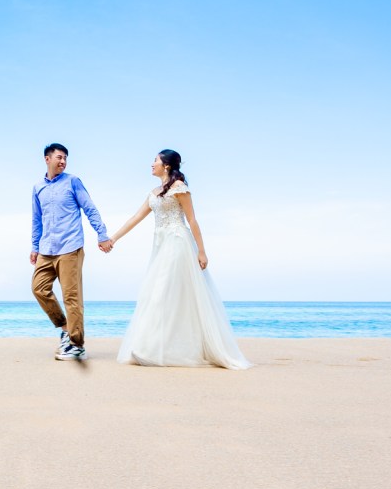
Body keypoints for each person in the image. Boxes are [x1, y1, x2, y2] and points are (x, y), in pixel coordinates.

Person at [106, 149, 250, 369]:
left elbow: (192, 221)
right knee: (156, 294)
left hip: (177, 242)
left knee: (162, 293)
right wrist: (113, 238)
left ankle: (155, 349)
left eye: (155, 160)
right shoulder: (154, 192)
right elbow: (136, 217)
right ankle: (153, 347)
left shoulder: (179, 188)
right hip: (161, 245)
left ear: (166, 166)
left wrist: (202, 251)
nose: (151, 164)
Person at [31, 143, 112, 361]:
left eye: (65, 157)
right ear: (47, 159)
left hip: (70, 247)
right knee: (38, 288)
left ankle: (77, 345)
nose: (63, 161)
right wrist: (35, 246)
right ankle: (65, 328)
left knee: (71, 297)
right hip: (47, 249)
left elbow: (89, 208)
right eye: (59, 157)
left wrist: (102, 234)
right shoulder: (38, 187)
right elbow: (37, 219)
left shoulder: (73, 182)